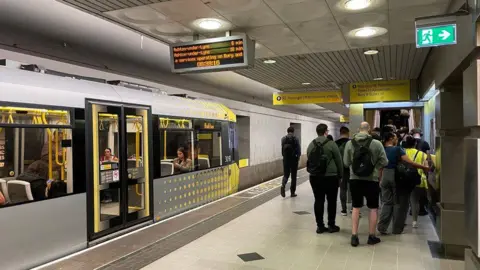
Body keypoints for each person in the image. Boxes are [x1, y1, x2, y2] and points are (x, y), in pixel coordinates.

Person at [343, 122, 388, 247]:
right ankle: (371, 236)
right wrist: (374, 167)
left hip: (355, 179)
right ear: (369, 130)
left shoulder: (349, 144)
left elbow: (346, 163)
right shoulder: (376, 143)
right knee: (373, 208)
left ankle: (354, 236)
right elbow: (385, 161)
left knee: (356, 207)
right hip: (371, 180)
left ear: (358, 129)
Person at [377, 132, 429, 235]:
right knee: (398, 203)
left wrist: (380, 179)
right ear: (391, 139)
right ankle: (396, 229)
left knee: (386, 202)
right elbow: (410, 162)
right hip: (396, 176)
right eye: (395, 138)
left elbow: (380, 166)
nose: (397, 140)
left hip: (384, 176)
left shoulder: (381, 149)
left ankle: (382, 227)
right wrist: (424, 167)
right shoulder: (397, 149)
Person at [307, 124, 343, 233]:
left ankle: (320, 226)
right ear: (326, 132)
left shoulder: (311, 144)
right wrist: (340, 176)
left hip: (315, 176)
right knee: (331, 201)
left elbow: (309, 159)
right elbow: (339, 161)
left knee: (318, 200)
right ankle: (331, 225)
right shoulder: (331, 144)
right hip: (330, 177)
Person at [404, 136, 428, 228]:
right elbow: (426, 168)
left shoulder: (403, 152)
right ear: (415, 144)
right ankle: (414, 221)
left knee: (404, 201)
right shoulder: (422, 154)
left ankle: (403, 220)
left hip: (404, 178)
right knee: (415, 202)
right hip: (418, 179)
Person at [281, 127, 301, 197]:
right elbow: (298, 150)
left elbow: (282, 150)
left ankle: (283, 186)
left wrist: (284, 157)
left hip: (286, 160)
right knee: (293, 176)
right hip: (294, 160)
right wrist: (298, 157)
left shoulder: (283, 139)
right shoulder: (296, 138)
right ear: (293, 131)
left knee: (286, 174)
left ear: (287, 131)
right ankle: (292, 192)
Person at [335, 126, 350, 216]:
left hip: (341, 170)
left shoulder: (335, 144)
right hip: (351, 169)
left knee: (343, 189)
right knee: (352, 189)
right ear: (348, 133)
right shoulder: (351, 143)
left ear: (340, 133)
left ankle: (344, 210)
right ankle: (354, 208)